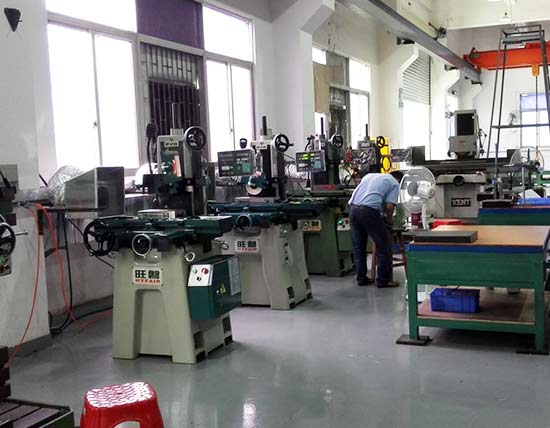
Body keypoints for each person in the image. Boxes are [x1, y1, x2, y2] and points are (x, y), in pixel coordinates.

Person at [348, 173, 400, 288]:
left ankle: (361, 278)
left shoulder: (369, 176)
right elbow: (389, 207)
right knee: (383, 245)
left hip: (353, 209)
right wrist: (389, 220)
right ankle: (383, 280)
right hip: (368, 211)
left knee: (358, 246)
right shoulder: (395, 183)